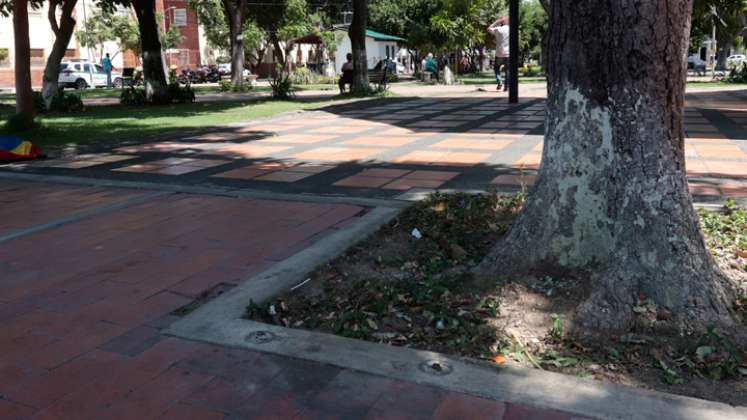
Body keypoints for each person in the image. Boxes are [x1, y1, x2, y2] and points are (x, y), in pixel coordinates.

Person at [488, 17, 510, 91]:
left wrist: (496, 22)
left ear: (501, 22)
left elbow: (488, 29)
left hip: (499, 53)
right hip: (508, 53)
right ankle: (506, 86)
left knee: (496, 68)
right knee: (507, 70)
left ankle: (499, 81)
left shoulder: (498, 29)